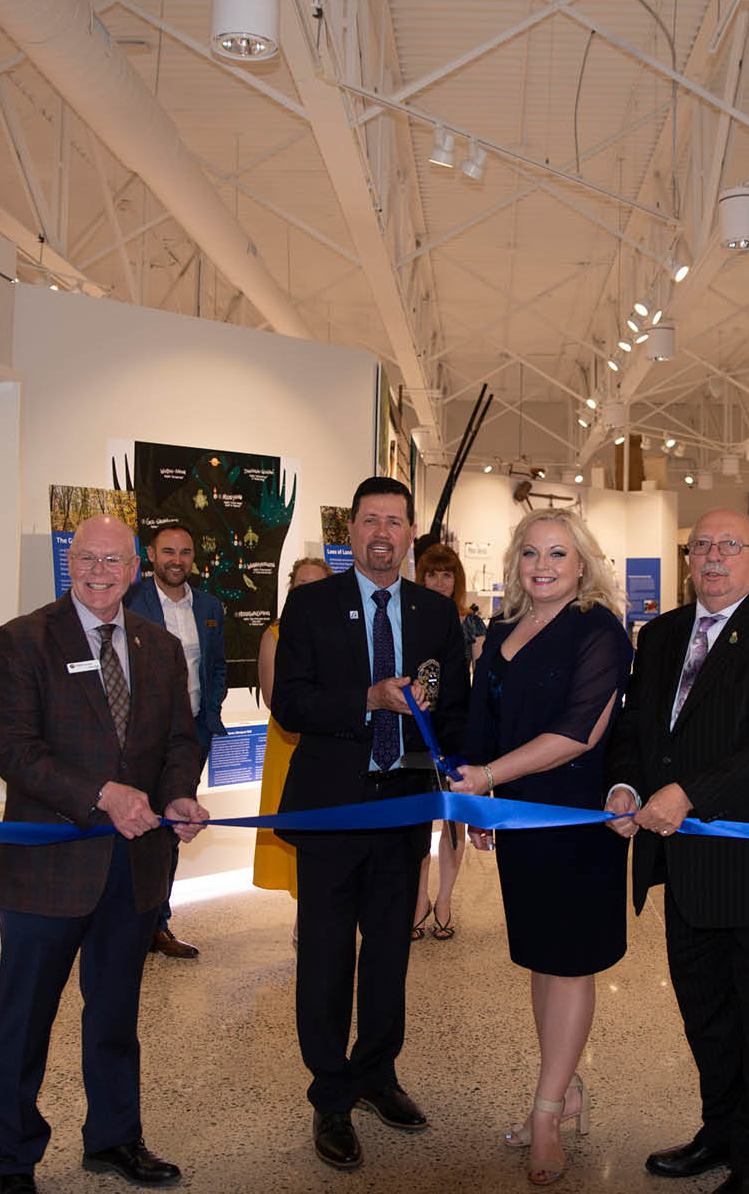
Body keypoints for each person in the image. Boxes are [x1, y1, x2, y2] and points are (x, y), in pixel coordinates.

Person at [604, 508, 749, 1194]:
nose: (712, 557)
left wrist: (687, 793)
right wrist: (626, 785)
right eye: (701, 545)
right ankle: (724, 1134)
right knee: (710, 1021)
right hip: (687, 873)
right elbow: (636, 727)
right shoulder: (663, 634)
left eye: (728, 546)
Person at [0, 514, 209, 1193]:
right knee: (24, 1021)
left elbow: (178, 742)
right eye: (88, 559)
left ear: (134, 569)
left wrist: (175, 796)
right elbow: (16, 753)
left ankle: (114, 1138)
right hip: (47, 867)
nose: (101, 572)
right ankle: (13, 1159)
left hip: (132, 868)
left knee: (114, 1016)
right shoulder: (24, 641)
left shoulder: (160, 647)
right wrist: (101, 794)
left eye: (114, 562)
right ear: (69, 562)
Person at [270, 477, 468, 1172]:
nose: (382, 532)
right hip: (330, 812)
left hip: (405, 810)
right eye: (370, 520)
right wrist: (367, 700)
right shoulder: (309, 605)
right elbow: (290, 703)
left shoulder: (434, 613)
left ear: (411, 533)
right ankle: (330, 1095)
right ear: (350, 530)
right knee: (325, 958)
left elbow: (457, 708)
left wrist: (464, 772)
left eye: (395, 521)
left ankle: (378, 1075)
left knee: (389, 953)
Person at [446, 508, 632, 1186]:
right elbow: (483, 724)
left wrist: (491, 777)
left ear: (584, 562)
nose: (543, 565)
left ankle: (548, 1109)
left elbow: (581, 732)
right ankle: (564, 1086)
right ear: (515, 564)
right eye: (531, 553)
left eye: (558, 552)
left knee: (572, 962)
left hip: (579, 821)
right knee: (541, 960)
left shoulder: (600, 630)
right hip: (521, 821)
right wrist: (479, 799)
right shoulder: (500, 632)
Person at [123, 520, 227, 960]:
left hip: (191, 738)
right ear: (150, 556)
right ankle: (123, 925)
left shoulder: (210, 606)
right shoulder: (129, 602)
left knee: (172, 829)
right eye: (168, 551)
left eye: (184, 552)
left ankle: (157, 925)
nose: (176, 560)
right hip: (139, 740)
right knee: (132, 828)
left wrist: (211, 712)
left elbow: (217, 667)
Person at [409, 543, 486, 942]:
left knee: (453, 820)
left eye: (446, 574)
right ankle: (418, 900)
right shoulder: (408, 618)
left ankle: (444, 900)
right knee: (420, 817)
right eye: (432, 574)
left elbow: (486, 676)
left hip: (459, 728)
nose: (439, 582)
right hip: (416, 729)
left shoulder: (470, 623)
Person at [252, 555, 334, 914]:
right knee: (299, 833)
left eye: (317, 584)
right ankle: (306, 918)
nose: (310, 592)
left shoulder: (344, 630)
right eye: (302, 585)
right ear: (291, 590)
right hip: (292, 744)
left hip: (335, 747)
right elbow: (275, 699)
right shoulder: (275, 635)